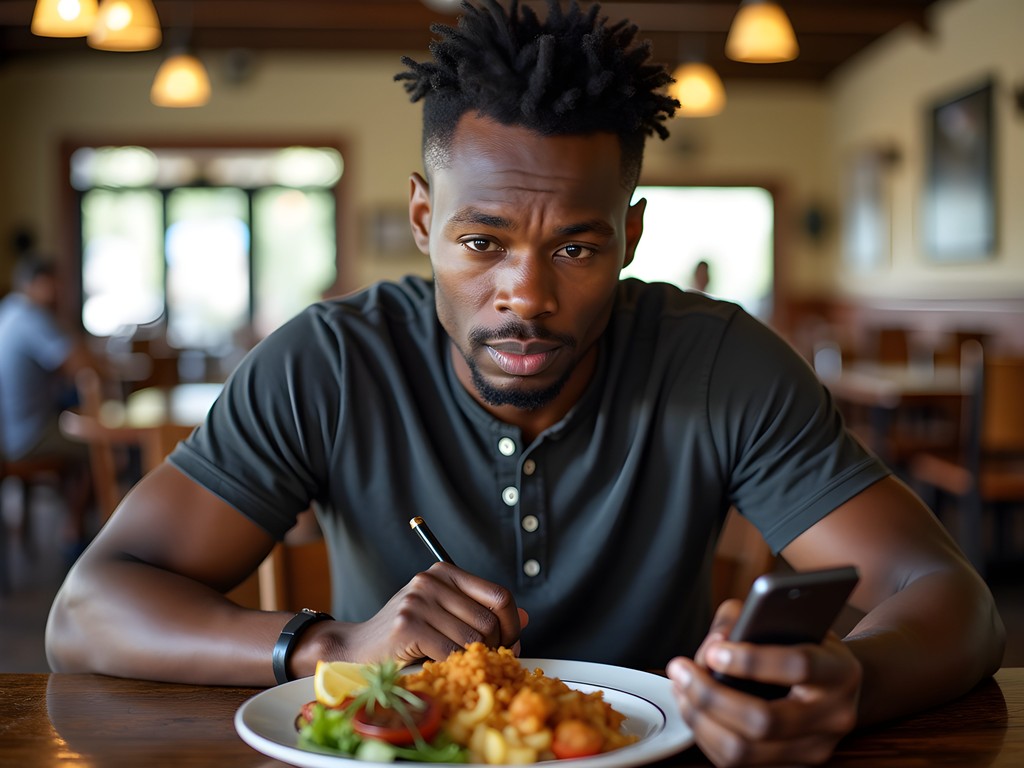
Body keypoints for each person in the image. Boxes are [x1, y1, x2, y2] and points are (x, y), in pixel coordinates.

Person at [47, 1, 1003, 765]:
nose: (527, 297)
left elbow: (951, 599)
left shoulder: (722, 363)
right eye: (482, 242)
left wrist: (851, 684)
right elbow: (91, 610)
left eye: (578, 247)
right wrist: (329, 646)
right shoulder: (328, 363)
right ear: (424, 219)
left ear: (630, 235)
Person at [0, 252, 100, 548]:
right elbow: (83, 366)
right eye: (54, 284)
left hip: (9, 432)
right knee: (101, 446)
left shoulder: (8, 311)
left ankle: (72, 521)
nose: (58, 291)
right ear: (38, 283)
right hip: (27, 435)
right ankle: (75, 535)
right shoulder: (32, 318)